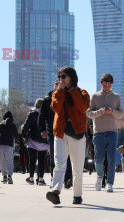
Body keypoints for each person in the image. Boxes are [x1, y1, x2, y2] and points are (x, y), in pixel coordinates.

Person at [46, 67, 90, 205]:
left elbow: (83, 108)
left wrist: (72, 92)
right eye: (59, 77)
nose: (61, 79)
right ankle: (55, 192)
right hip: (60, 133)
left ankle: (77, 195)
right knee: (59, 164)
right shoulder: (57, 93)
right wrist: (59, 90)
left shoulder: (82, 92)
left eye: (63, 76)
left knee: (77, 168)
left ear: (71, 77)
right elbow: (56, 108)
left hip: (77, 134)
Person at [86, 73, 123, 193]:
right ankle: (100, 177)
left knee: (112, 159)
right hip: (98, 132)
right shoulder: (95, 96)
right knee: (98, 159)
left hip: (112, 131)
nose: (106, 87)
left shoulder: (116, 97)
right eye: (104, 85)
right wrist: (100, 112)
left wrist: (112, 111)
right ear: (101, 83)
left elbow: (121, 114)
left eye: (108, 85)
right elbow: (88, 113)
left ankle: (110, 183)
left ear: (111, 84)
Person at [38, 82, 73, 187]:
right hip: (52, 131)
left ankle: (67, 179)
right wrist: (42, 129)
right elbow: (41, 116)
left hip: (65, 130)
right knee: (55, 156)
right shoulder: (47, 99)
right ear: (54, 85)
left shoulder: (67, 97)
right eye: (58, 85)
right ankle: (54, 179)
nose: (60, 87)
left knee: (67, 155)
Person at [22, 98, 49, 185]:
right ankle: (40, 179)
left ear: (35, 105)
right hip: (44, 140)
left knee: (32, 160)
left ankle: (31, 178)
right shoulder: (46, 114)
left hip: (32, 140)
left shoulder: (32, 113)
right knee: (42, 161)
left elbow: (26, 125)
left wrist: (23, 135)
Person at [0, 111, 19, 184]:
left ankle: (4, 176)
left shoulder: (0, 125)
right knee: (9, 161)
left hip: (1, 145)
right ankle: (9, 176)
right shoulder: (13, 125)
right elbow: (16, 136)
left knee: (2, 161)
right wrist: (17, 142)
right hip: (9, 145)